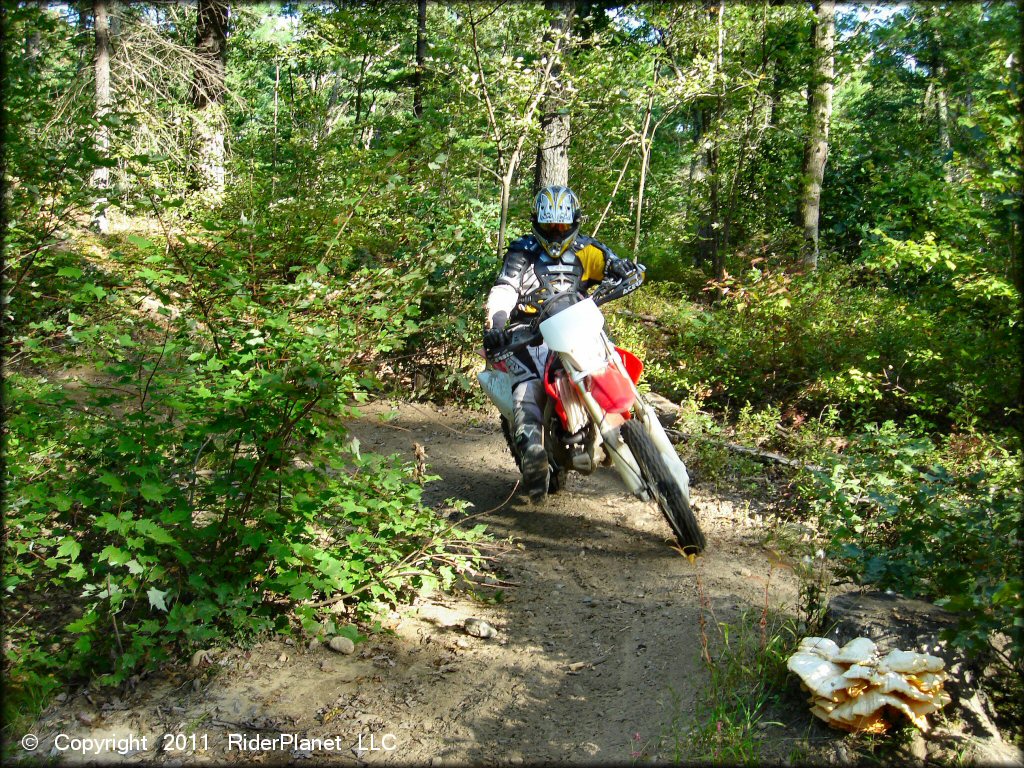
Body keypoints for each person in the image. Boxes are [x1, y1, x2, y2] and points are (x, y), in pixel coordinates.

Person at [482, 185, 643, 502]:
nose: (556, 233)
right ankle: (532, 454)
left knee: (608, 361)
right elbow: (504, 289)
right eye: (549, 226)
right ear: (537, 222)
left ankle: (628, 423)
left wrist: (622, 267)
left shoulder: (587, 249)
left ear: (574, 222)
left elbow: (612, 264)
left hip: (577, 326)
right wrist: (497, 324)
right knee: (527, 386)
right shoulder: (521, 253)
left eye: (562, 226)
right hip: (528, 331)